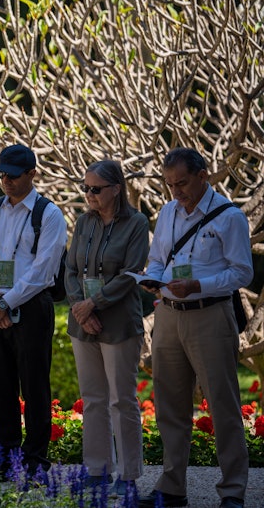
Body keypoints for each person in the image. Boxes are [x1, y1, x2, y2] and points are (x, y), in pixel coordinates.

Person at [138, 148, 252, 508]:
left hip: (210, 315)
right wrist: (152, 279)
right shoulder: (168, 211)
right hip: (168, 315)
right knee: (170, 406)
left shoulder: (229, 217)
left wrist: (199, 286)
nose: (176, 192)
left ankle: (232, 492)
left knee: (223, 405)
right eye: (170, 185)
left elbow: (242, 273)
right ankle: (172, 487)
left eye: (182, 183)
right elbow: (157, 259)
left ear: (204, 175)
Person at [0, 144, 67, 478]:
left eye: (13, 174)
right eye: (2, 174)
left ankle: (36, 460)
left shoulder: (48, 214)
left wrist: (5, 303)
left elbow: (43, 271)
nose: (6, 180)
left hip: (31, 305)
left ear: (32, 174)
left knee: (34, 385)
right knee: (0, 384)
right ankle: (4, 458)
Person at [64, 160, 149, 497]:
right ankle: (97, 470)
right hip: (83, 323)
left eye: (95, 189)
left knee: (122, 401)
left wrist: (93, 304)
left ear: (116, 188)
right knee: (94, 399)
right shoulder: (83, 222)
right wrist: (81, 309)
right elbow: (70, 270)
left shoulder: (137, 223)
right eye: (85, 188)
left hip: (119, 323)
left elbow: (131, 273)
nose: (89, 194)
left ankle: (128, 475)